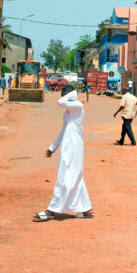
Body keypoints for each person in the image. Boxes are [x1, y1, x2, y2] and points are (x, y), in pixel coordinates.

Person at [34, 85, 93, 221]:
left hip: (74, 146)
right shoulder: (68, 111)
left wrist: (70, 94)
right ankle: (86, 209)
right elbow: (63, 130)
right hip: (68, 145)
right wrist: (52, 147)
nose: (62, 97)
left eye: (64, 94)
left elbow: (60, 102)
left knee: (65, 176)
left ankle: (53, 209)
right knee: (74, 176)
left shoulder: (78, 106)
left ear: (71, 95)